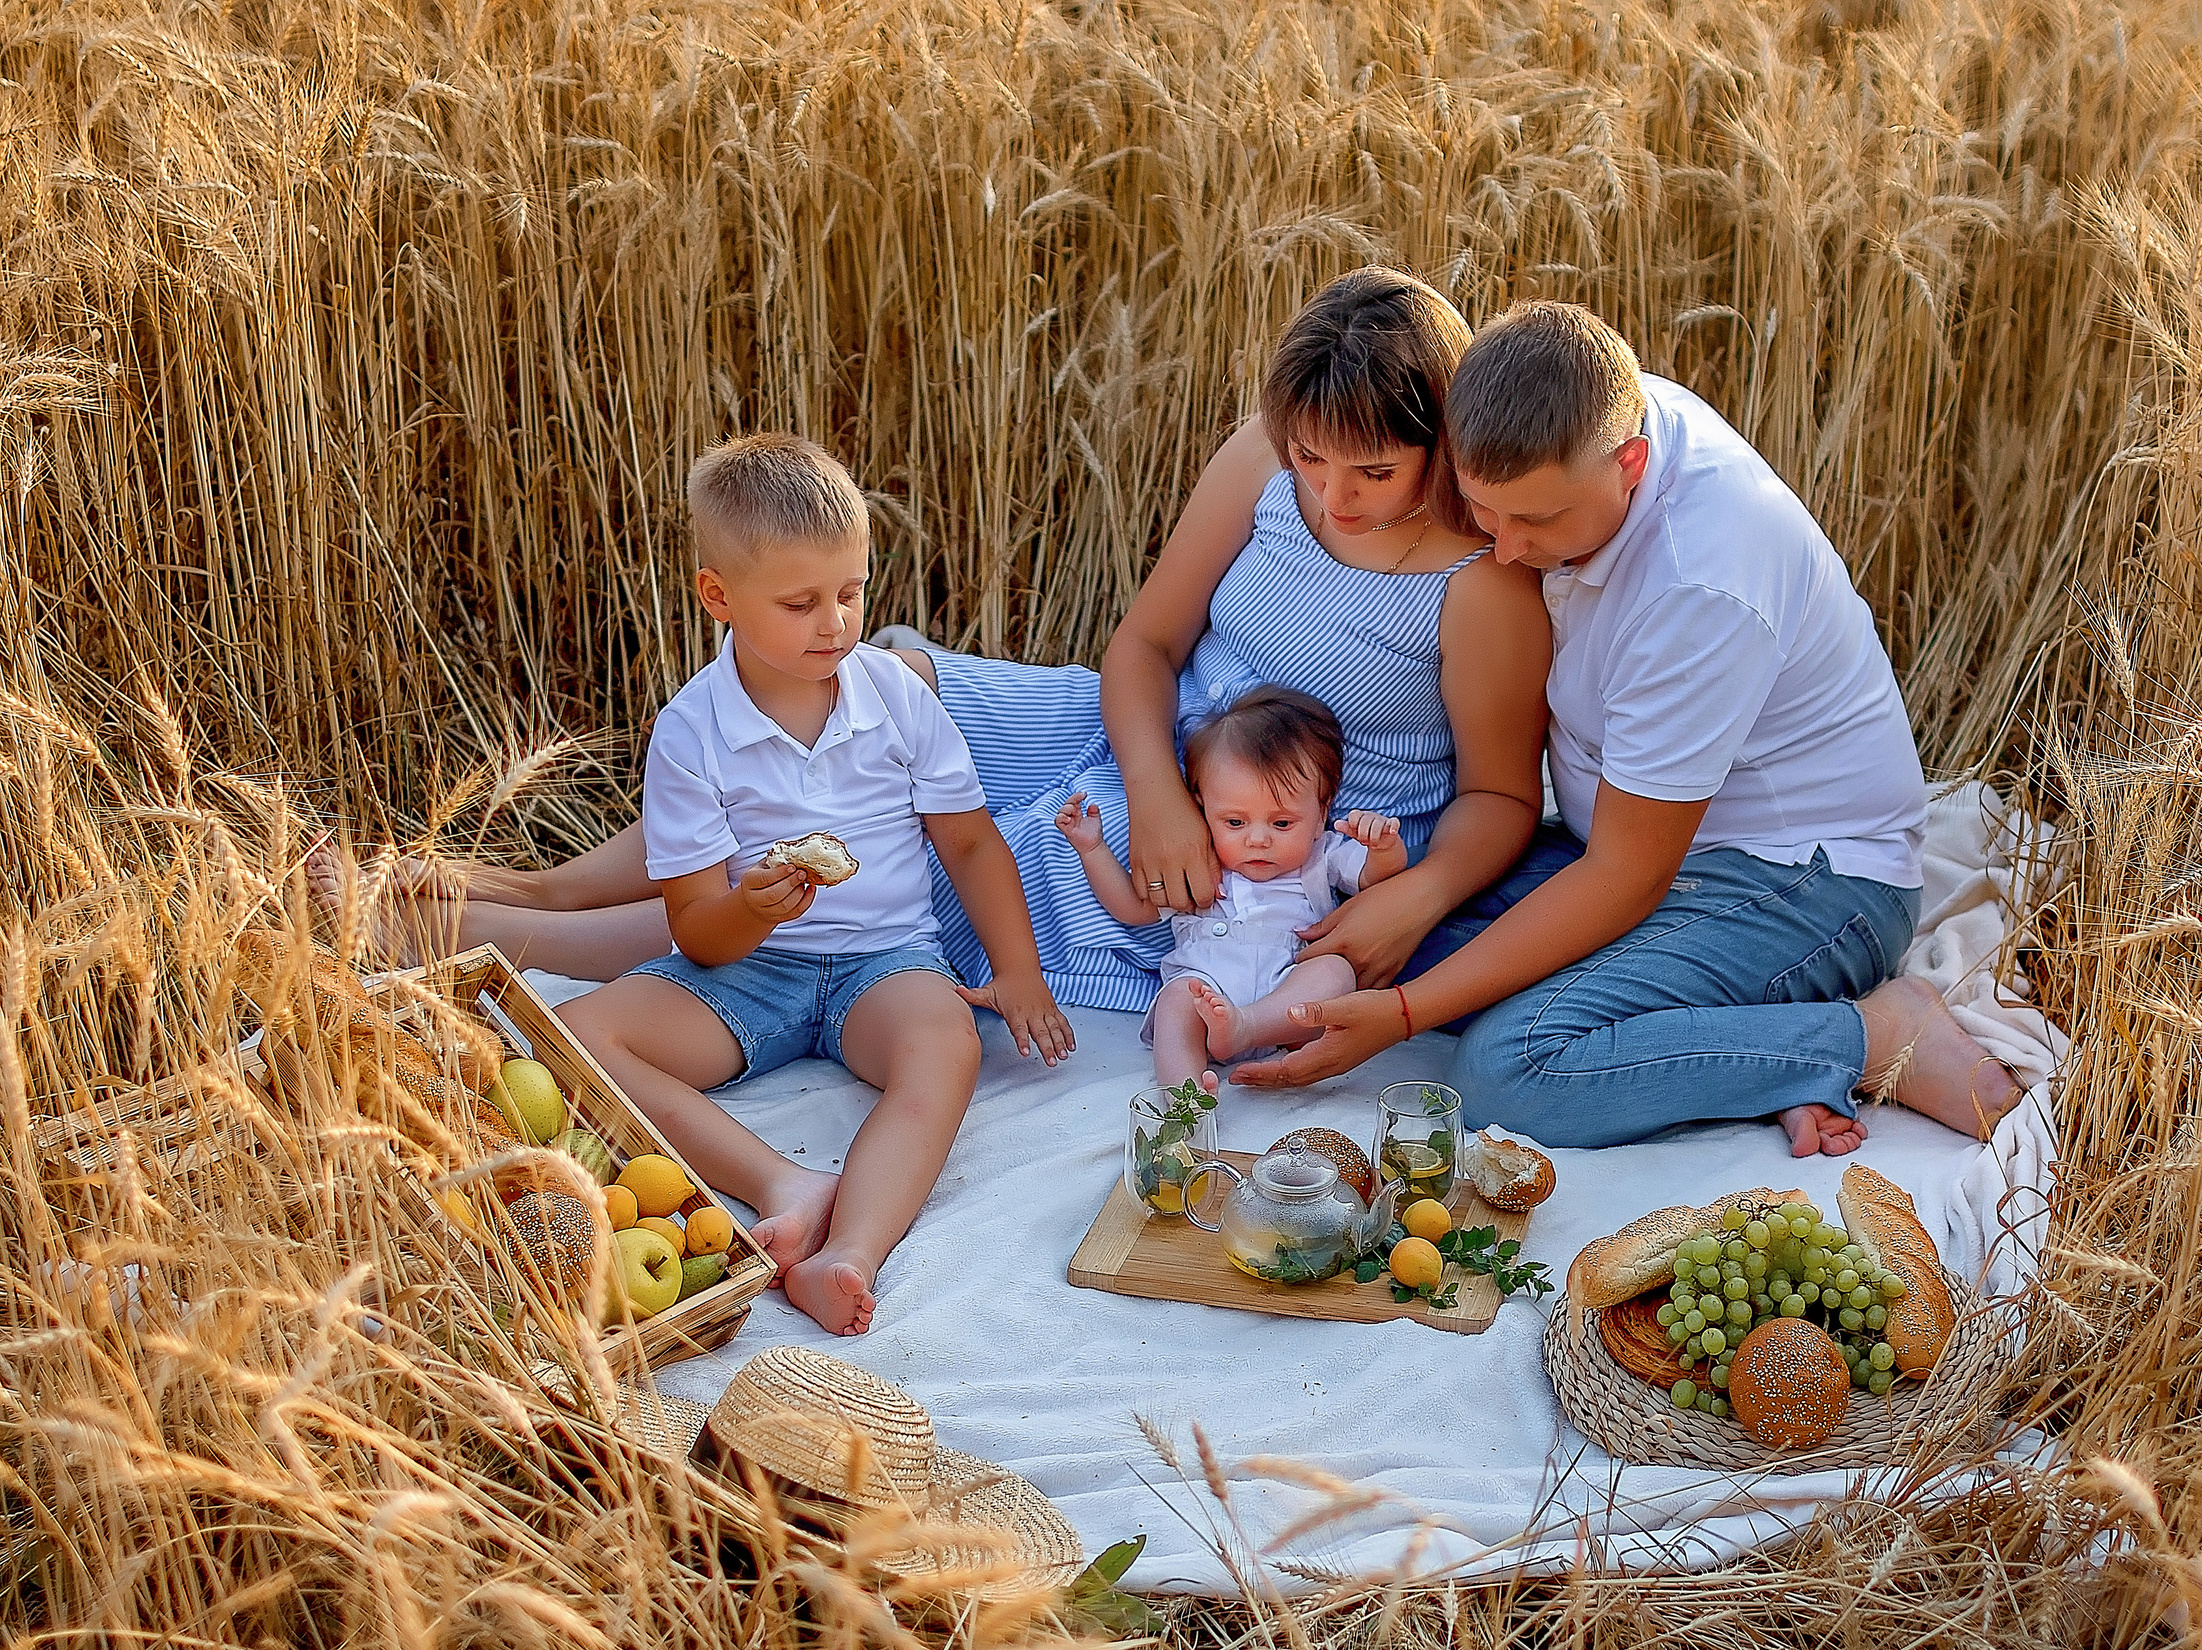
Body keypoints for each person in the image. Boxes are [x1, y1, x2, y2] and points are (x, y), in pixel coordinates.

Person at [342, 269, 1551, 1030]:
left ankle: (486, 933)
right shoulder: (1263, 457)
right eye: (1310, 461)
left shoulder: (1479, 586)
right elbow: (1146, 643)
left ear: (1441, 439)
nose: (1331, 495)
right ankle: (543, 882)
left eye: (1372, 471)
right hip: (1144, 733)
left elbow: (1502, 796)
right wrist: (1148, 784)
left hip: (1269, 814)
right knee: (891, 684)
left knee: (885, 860)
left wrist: (1417, 893)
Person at [1233, 302, 2024, 1156]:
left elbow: (1625, 876)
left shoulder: (1699, 584)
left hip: (1801, 880)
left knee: (1509, 1068)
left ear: (1631, 465)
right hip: (1628, 842)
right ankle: (1731, 1051)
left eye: (1537, 523)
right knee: (1382, 922)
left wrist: (1399, 1017)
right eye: (1485, 511)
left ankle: (1869, 1037)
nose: (1505, 550)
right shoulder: (1566, 406)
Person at [557, 433, 1074, 1337]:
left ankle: (850, 1254)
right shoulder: (691, 732)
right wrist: (749, 910)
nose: (834, 622)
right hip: (748, 969)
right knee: (577, 1034)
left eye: (850, 592)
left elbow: (969, 843)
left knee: (945, 1043)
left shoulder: (896, 695)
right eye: (800, 603)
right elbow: (695, 930)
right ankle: (782, 1183)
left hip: (886, 961)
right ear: (718, 595)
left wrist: (1018, 968)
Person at [1057, 686, 1407, 1092]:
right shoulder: (1199, 865)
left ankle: (1247, 1027)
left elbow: (1375, 877)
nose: (1257, 840)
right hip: (1205, 990)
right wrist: (1093, 850)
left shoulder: (1321, 856)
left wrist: (1383, 847)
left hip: (1285, 1008)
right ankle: (1184, 1097)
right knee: (1176, 1002)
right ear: (1202, 808)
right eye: (1235, 823)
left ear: (1320, 816)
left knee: (1334, 972)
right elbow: (1133, 910)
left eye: (1281, 823)